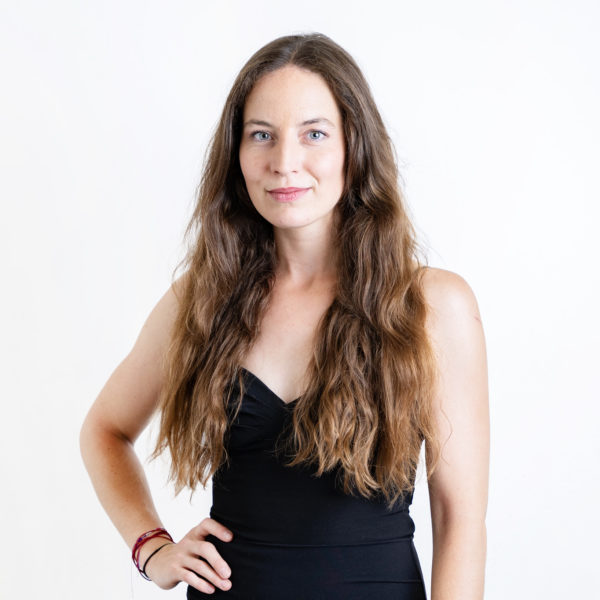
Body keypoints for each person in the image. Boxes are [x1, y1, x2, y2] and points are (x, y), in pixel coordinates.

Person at [80, 32, 489, 600]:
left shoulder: (432, 305)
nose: (284, 163)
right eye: (261, 135)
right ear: (237, 154)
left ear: (354, 146)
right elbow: (105, 430)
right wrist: (152, 549)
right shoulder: (202, 299)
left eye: (313, 134)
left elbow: (459, 520)